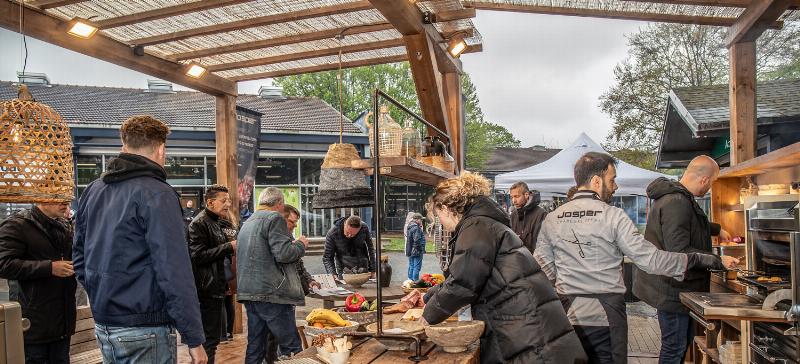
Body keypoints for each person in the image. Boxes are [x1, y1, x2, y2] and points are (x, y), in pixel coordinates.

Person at [534, 152, 737, 364]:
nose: (615, 187)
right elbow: (651, 260)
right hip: (607, 313)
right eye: (612, 180)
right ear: (596, 181)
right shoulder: (613, 216)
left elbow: (542, 268)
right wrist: (699, 260)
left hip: (568, 311)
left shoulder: (553, 218)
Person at [73, 115, 207, 364]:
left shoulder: (93, 190)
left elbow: (79, 259)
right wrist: (194, 339)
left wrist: (104, 294)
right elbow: (174, 271)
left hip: (104, 324)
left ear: (124, 147)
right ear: (161, 149)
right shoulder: (158, 194)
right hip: (145, 327)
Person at [420, 172, 586, 364]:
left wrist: (426, 317)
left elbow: (462, 284)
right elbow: (463, 275)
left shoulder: (476, 226)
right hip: (526, 322)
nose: (439, 221)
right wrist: (427, 297)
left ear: (447, 208)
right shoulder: (483, 223)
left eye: (438, 215)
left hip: (525, 328)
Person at [633, 156, 732, 364]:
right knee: (674, 348)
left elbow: (690, 224)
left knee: (679, 344)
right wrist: (718, 260)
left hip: (675, 288)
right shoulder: (677, 202)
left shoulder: (678, 198)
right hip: (672, 290)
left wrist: (716, 229)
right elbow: (679, 251)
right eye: (712, 183)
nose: (710, 188)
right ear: (704, 180)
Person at [237, 187, 308, 364]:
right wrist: (300, 245)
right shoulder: (274, 218)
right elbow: (284, 254)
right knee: (291, 347)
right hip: (271, 294)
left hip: (249, 292)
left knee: (255, 346)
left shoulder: (248, 221)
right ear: (279, 204)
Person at [0, 201, 77, 364]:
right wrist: (49, 268)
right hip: (33, 325)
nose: (65, 203)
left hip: (62, 324)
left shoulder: (64, 225)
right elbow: (3, 264)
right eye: (58, 197)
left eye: (67, 198)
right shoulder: (17, 224)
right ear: (41, 197)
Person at [188, 184, 237, 364]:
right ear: (210, 202)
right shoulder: (199, 224)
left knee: (213, 340)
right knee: (208, 341)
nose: (228, 204)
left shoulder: (217, 221)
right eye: (224, 201)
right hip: (205, 290)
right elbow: (198, 256)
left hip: (216, 287)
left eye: (229, 200)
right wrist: (228, 247)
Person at [323, 215, 376, 280]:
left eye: (354, 234)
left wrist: (373, 269)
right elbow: (327, 257)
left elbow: (370, 249)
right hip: (344, 271)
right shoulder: (332, 233)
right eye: (347, 232)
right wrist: (332, 273)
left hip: (363, 269)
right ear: (345, 224)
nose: (350, 236)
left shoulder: (364, 228)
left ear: (359, 228)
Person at [509, 181, 548, 253]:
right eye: (512, 197)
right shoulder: (514, 214)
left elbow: (544, 243)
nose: (514, 201)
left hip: (534, 260)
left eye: (517, 196)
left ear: (526, 195)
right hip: (517, 259)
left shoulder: (541, 214)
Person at [405, 213, 426, 281]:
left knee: (411, 266)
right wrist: (421, 249)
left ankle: (409, 280)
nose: (421, 221)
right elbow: (417, 240)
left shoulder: (410, 226)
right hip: (416, 250)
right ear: (417, 219)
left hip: (410, 249)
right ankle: (415, 281)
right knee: (416, 267)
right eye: (421, 220)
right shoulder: (416, 228)